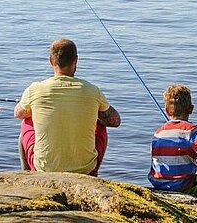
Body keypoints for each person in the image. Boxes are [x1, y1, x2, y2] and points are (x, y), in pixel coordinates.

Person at [14, 38, 121, 176]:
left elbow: (18, 113)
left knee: (27, 121)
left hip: (45, 169)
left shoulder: (35, 89)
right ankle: (92, 176)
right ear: (76, 61)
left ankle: (27, 174)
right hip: (86, 169)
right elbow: (115, 121)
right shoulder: (92, 91)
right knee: (101, 124)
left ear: (51, 61)